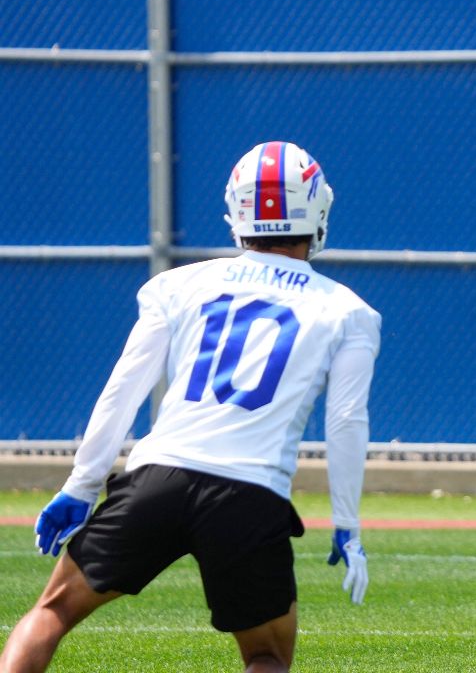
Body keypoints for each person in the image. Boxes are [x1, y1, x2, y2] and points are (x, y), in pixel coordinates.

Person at [0, 142, 381, 673]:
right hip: (250, 494)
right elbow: (345, 421)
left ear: (237, 211)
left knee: (51, 612)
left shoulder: (179, 284)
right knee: (267, 655)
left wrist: (81, 485)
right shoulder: (348, 311)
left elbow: (123, 388)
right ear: (317, 209)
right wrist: (346, 522)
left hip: (158, 478)